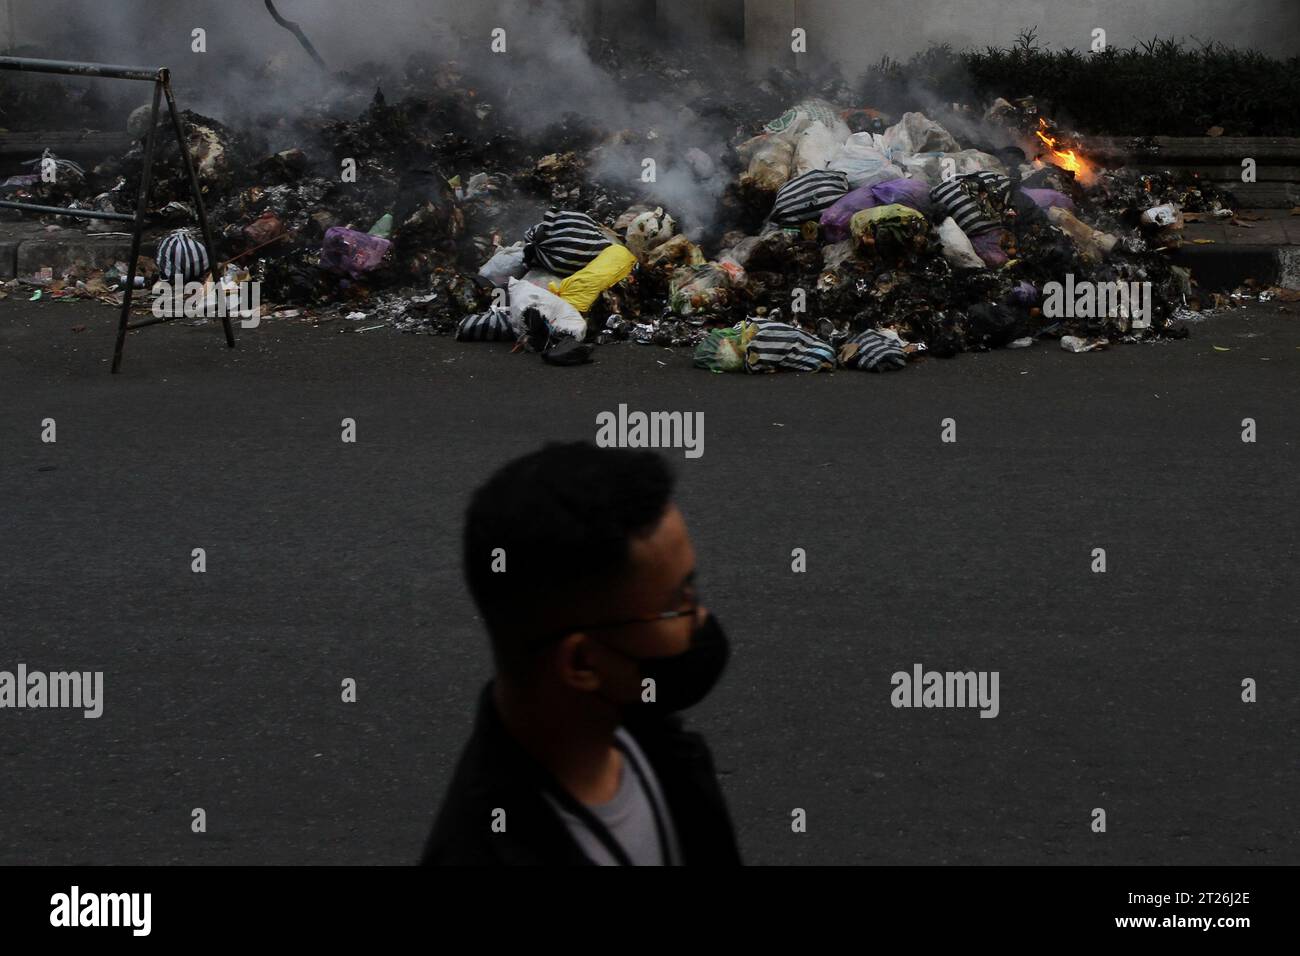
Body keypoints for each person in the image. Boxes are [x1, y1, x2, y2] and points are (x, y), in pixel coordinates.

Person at [421, 442, 740, 866]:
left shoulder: (655, 743)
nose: (700, 616)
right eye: (675, 604)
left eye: (692, 588)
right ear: (582, 663)